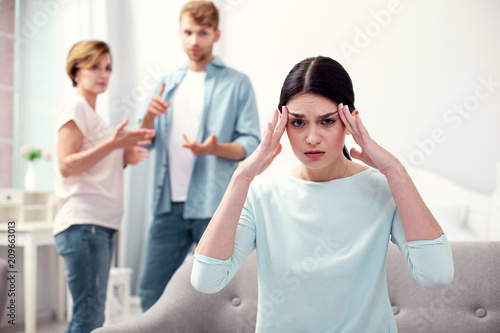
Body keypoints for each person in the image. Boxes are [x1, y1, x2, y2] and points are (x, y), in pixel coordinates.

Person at [191, 56, 454, 332]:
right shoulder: (262, 196)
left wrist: (396, 171)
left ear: (349, 121)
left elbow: (436, 275)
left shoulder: (383, 189)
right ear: (282, 125)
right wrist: (241, 178)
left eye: (327, 122)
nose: (312, 138)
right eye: (298, 123)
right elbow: (207, 280)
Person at [137, 0, 260, 311]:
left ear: (216, 35)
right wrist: (148, 119)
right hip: (168, 205)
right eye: (188, 32)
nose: (194, 41)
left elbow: (251, 143)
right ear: (180, 33)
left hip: (214, 205)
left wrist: (213, 149)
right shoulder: (165, 85)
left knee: (220, 297)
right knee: (151, 290)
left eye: (202, 32)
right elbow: (142, 145)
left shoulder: (237, 83)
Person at [54, 40, 155, 333]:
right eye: (95, 66)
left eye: (108, 67)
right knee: (88, 316)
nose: (103, 73)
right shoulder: (76, 106)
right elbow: (67, 164)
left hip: (98, 226)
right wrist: (113, 144)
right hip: (84, 223)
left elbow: (91, 167)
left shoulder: (95, 116)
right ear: (76, 71)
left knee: (93, 315)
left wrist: (121, 156)